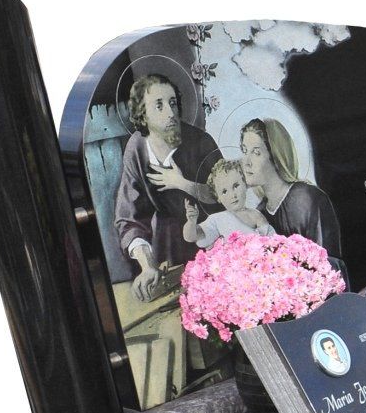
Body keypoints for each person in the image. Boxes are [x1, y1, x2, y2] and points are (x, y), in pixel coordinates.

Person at [113, 74, 222, 300]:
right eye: (159, 105)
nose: (171, 112)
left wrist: (182, 183)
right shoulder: (137, 148)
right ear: (143, 113)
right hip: (166, 245)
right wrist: (147, 265)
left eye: (172, 103)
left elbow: (225, 196)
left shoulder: (201, 141)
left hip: (207, 238)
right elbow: (129, 218)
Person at [242, 118, 344, 272]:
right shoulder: (260, 213)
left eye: (256, 152)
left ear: (276, 156)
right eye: (244, 151)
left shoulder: (307, 199)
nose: (246, 162)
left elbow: (328, 264)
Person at [183, 158, 275, 249]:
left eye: (236, 186)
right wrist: (191, 222)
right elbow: (191, 237)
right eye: (224, 192)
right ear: (218, 197)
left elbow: (272, 241)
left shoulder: (256, 215)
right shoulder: (217, 220)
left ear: (245, 184)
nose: (232, 195)